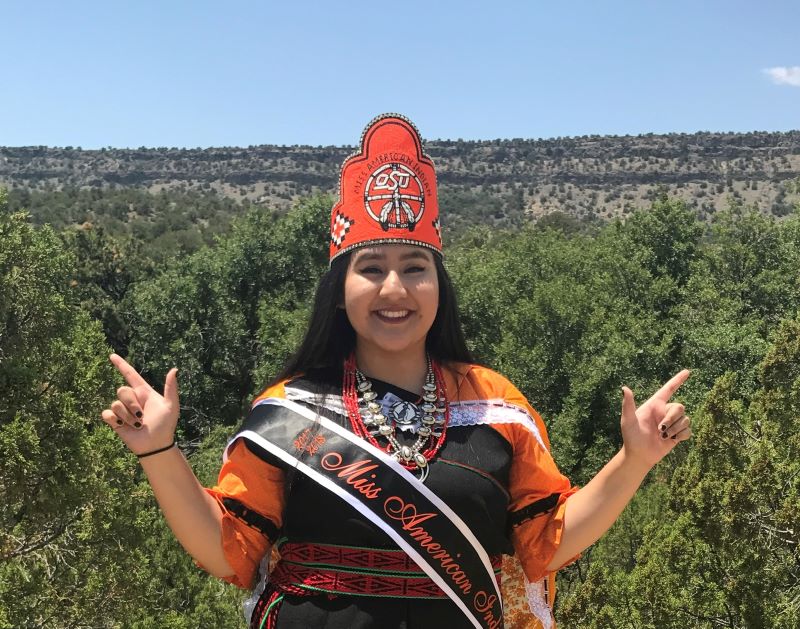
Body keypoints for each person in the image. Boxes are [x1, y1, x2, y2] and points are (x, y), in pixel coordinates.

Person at [101, 114, 692, 629]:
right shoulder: (288, 409)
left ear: (439, 287)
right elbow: (229, 551)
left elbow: (546, 544)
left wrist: (634, 459)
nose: (394, 289)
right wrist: (160, 451)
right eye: (371, 268)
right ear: (339, 292)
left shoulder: (495, 403)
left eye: (415, 267)